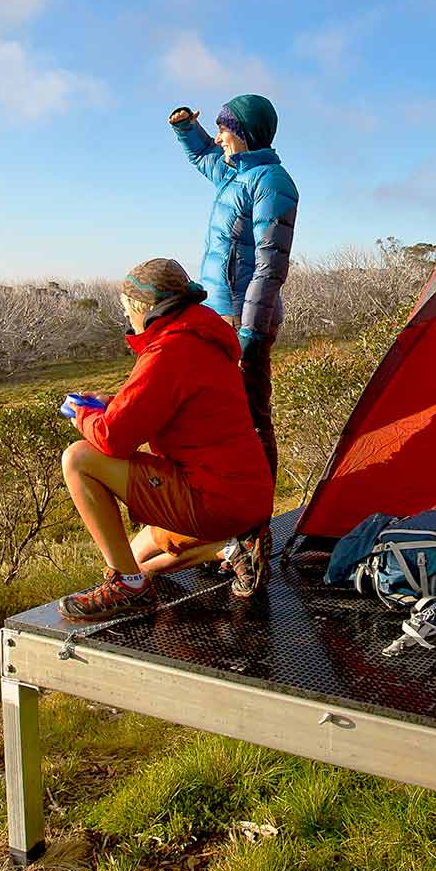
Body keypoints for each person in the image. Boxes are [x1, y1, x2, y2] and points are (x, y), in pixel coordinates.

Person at [57, 258, 276, 621]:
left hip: (212, 498)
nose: (128, 319)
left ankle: (126, 588)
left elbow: (113, 439)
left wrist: (81, 413)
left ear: (145, 308)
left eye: (128, 310)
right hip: (246, 495)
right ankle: (231, 548)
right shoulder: (201, 339)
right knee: (139, 559)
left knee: (78, 459)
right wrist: (111, 404)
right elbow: (167, 405)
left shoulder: (169, 351)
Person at [167, 95, 299, 480]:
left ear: (245, 133)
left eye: (226, 129)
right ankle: (230, 508)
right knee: (222, 416)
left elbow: (270, 265)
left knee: (251, 416)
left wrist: (250, 333)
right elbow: (203, 154)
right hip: (220, 312)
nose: (220, 136)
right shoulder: (233, 174)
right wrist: (186, 129)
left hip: (245, 316)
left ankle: (256, 525)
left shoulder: (272, 182)